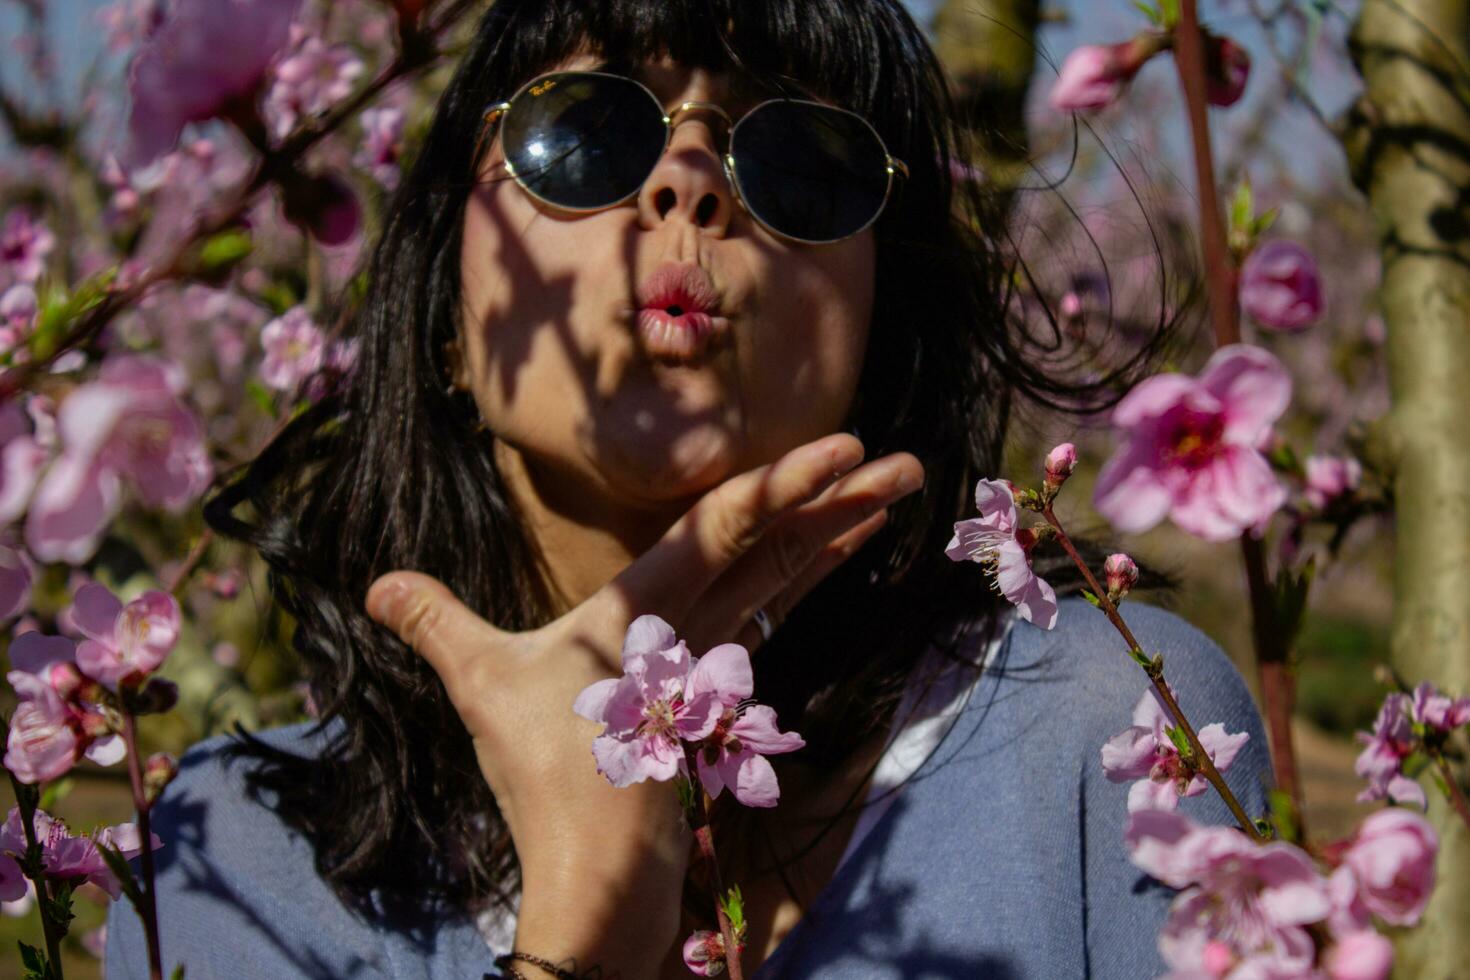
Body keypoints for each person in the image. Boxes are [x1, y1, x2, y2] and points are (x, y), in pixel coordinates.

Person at [107, 1, 1272, 977]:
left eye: (801, 163)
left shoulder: (1103, 730)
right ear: (447, 322)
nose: (689, 178)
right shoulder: (226, 863)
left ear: (882, 325)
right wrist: (580, 933)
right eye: (587, 132)